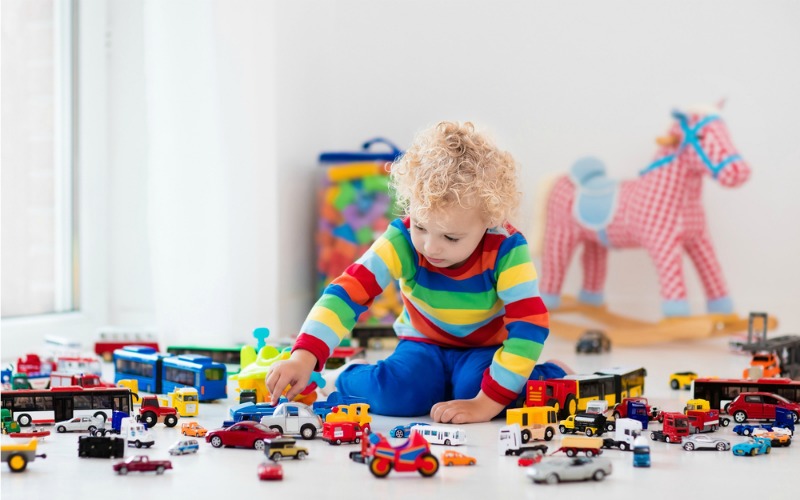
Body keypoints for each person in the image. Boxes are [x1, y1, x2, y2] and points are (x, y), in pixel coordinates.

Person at [266, 121, 567, 424]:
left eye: (451, 237)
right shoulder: (403, 239)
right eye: (421, 227)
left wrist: (485, 404)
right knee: (397, 395)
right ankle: (342, 378)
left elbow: (529, 324)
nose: (430, 247)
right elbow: (347, 293)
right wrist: (303, 356)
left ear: (490, 220)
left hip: (486, 348)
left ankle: (551, 373)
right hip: (423, 344)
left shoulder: (506, 249)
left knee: (479, 390)